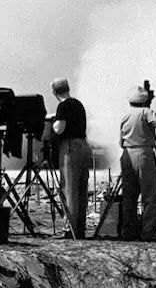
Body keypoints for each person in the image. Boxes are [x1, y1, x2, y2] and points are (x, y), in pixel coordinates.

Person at [119, 83, 156, 241]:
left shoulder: (125, 115)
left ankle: (128, 231)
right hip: (143, 153)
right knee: (150, 195)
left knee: (129, 196)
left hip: (127, 154)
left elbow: (120, 140)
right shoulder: (146, 112)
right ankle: (148, 232)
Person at [50, 77, 91, 238]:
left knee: (69, 188)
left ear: (54, 92)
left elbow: (60, 128)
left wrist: (53, 124)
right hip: (83, 145)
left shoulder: (63, 106)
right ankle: (79, 227)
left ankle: (70, 228)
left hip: (70, 147)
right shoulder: (78, 104)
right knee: (81, 188)